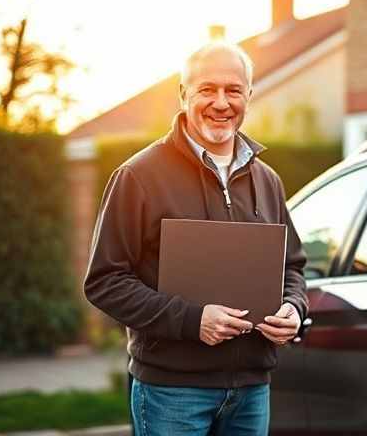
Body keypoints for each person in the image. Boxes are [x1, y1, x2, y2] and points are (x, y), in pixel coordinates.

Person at [84, 42, 308, 435]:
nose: (221, 102)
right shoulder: (138, 177)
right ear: (184, 94)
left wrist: (294, 307)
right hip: (172, 391)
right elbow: (104, 281)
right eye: (207, 89)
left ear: (249, 97)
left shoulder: (267, 180)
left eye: (233, 90)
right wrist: (192, 320)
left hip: (252, 389)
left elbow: (291, 266)